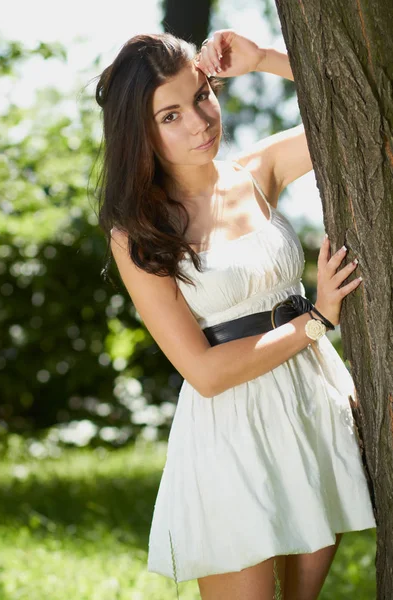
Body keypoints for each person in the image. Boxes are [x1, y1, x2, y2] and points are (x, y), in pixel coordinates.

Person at [94, 28, 376, 600]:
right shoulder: (139, 231)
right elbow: (205, 372)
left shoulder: (259, 169)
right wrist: (317, 319)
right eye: (169, 115)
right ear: (139, 132)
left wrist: (266, 59)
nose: (199, 121)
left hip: (310, 404)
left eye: (202, 95)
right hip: (231, 428)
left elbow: (365, 110)